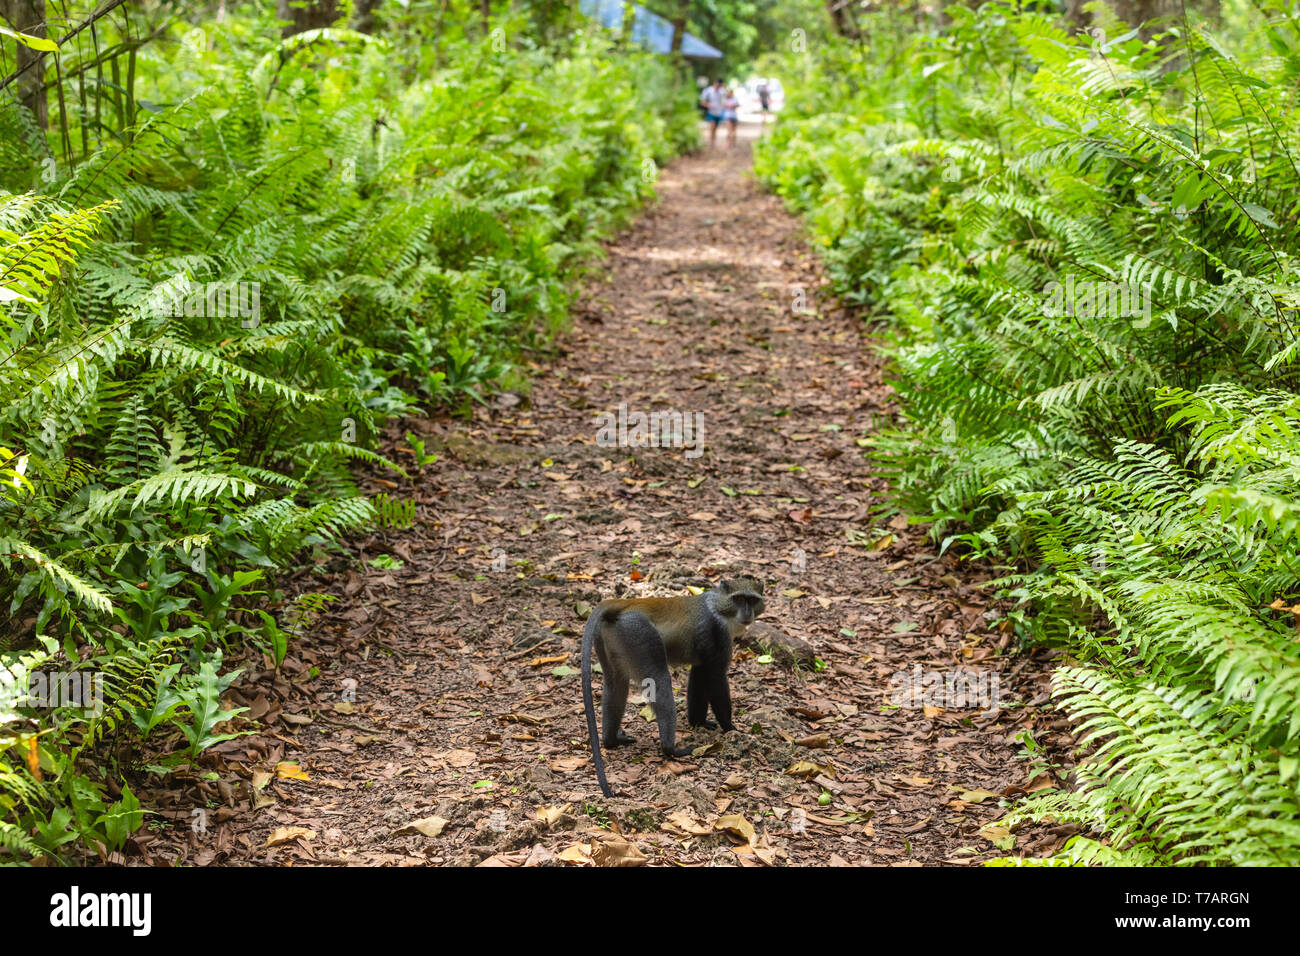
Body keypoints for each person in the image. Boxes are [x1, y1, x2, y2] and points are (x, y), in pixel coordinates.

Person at [699, 78, 726, 149]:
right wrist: (708, 105)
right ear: (714, 83)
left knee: (715, 128)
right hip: (711, 112)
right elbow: (702, 102)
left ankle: (713, 141)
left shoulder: (722, 91)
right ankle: (711, 142)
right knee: (712, 126)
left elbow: (728, 97)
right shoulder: (708, 91)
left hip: (719, 112)